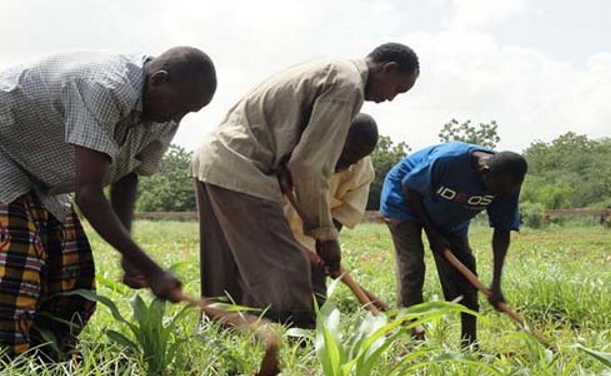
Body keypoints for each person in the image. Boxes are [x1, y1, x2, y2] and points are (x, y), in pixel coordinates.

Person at [0, 46, 217, 360]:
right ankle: (1, 354)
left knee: (70, 258)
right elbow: (88, 194)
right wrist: (153, 270)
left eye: (189, 112)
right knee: (16, 250)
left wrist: (130, 256)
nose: (178, 117)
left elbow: (128, 174)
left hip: (36, 161)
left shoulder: (166, 107)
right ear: (158, 80)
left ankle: (49, 349)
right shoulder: (103, 88)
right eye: (178, 106)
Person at [190, 42, 419, 328]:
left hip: (214, 160)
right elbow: (310, 166)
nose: (391, 99)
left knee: (224, 270)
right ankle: (298, 351)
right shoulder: (348, 86)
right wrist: (324, 235)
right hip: (243, 168)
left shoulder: (331, 67)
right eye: (397, 89)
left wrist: (284, 167)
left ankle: (222, 346)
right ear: (389, 69)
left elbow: (292, 150)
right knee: (288, 269)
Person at [379, 141, 528, 348]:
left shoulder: (507, 183)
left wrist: (495, 285)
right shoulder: (448, 161)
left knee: (465, 268)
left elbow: (502, 232)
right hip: (403, 200)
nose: (501, 195)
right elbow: (408, 185)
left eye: (507, 191)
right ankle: (412, 339)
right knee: (412, 265)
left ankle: (469, 343)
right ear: (483, 172)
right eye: (498, 189)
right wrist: (432, 234)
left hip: (449, 212)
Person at [280, 113, 378, 302]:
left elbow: (340, 217)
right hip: (273, 232)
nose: (354, 162)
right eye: (349, 154)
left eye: (360, 157)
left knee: (314, 299)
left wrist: (325, 249)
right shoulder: (299, 151)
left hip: (311, 242)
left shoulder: (362, 172)